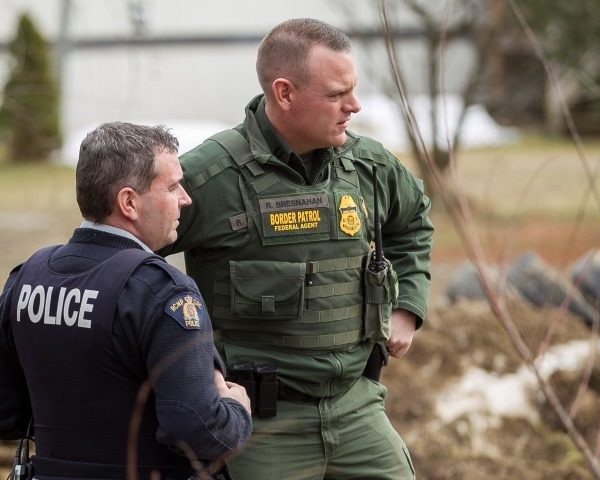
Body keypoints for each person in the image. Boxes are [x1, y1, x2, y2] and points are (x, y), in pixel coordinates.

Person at [160, 18, 433, 480]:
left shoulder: (369, 166)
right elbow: (132, 263)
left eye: (352, 90)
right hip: (260, 424)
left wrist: (407, 306)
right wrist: (188, 369)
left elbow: (412, 223)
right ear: (284, 93)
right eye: (334, 95)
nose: (354, 106)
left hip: (355, 405)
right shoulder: (210, 177)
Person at [0, 122, 252, 480]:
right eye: (172, 186)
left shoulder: (26, 277)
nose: (186, 198)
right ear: (129, 202)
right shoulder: (162, 291)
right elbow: (198, 432)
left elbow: (7, 413)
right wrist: (235, 408)